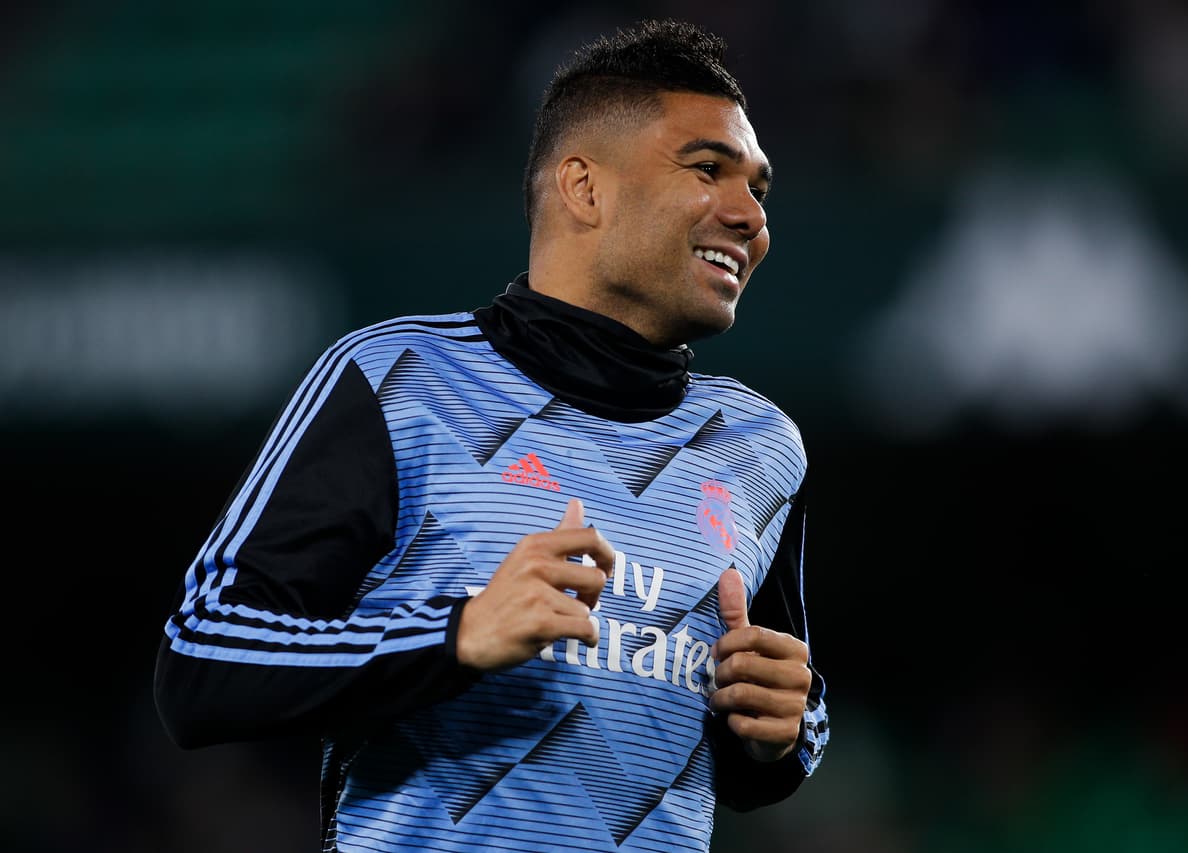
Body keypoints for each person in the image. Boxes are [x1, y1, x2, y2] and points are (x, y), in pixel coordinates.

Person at [154, 17, 828, 853]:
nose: (748, 216)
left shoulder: (760, 445)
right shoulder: (394, 378)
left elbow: (767, 734)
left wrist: (780, 729)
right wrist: (455, 633)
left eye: (759, 189)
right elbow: (204, 659)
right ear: (585, 188)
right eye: (708, 169)